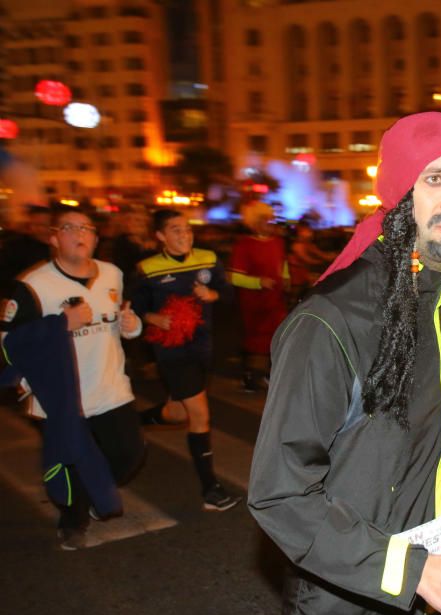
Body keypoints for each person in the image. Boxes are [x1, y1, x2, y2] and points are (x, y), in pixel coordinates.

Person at [248, 111, 441, 615]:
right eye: (434, 178)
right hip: (348, 603)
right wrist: (415, 574)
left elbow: (398, 409)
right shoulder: (328, 320)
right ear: (398, 190)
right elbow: (279, 492)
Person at [0, 206, 145, 549]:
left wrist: (133, 326)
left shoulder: (112, 274)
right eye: (69, 227)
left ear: (96, 238)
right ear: (54, 238)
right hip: (62, 397)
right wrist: (61, 324)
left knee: (129, 453)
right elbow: (9, 342)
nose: (79, 234)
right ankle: (73, 516)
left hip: (111, 388)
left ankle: (94, 494)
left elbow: (124, 320)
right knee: (68, 460)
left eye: (87, 228)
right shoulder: (33, 286)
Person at [129, 209, 240, 512]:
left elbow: (228, 295)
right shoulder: (147, 269)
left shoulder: (208, 258)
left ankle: (131, 421)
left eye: (187, 229)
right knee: (201, 415)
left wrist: (212, 295)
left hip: (203, 348)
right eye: (176, 230)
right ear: (161, 236)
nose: (185, 234)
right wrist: (153, 317)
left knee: (177, 413)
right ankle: (210, 490)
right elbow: (130, 310)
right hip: (172, 353)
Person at [229, 201, 288, 392]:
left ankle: (270, 375)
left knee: (278, 335)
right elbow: (234, 277)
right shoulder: (244, 245)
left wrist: (286, 278)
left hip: (275, 300)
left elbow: (282, 264)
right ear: (253, 223)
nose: (269, 222)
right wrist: (258, 282)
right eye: (263, 219)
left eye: (270, 219)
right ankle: (249, 376)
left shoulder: (278, 242)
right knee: (255, 340)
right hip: (253, 302)